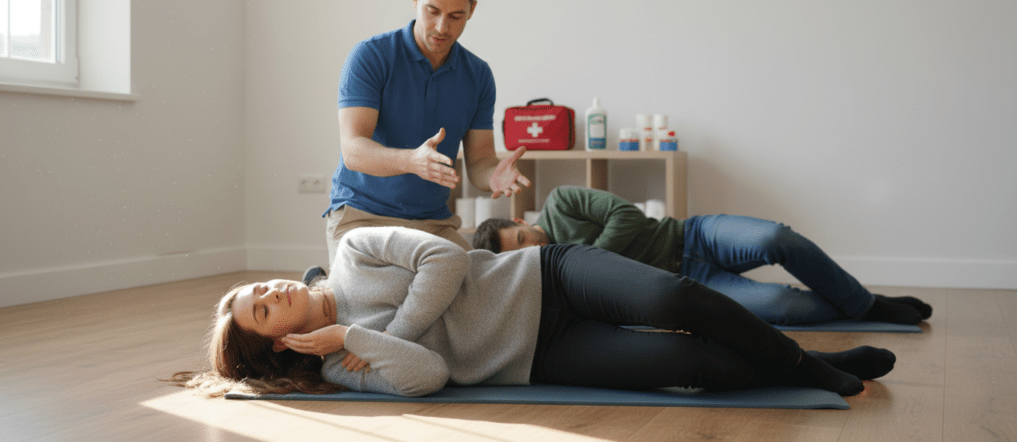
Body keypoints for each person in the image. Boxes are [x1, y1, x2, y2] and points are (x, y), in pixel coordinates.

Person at [171, 226, 898, 399]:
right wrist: (350, 336)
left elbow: (448, 259)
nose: (271, 294)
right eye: (263, 312)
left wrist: (382, 332)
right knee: (690, 364)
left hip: (549, 276)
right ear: (281, 341)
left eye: (259, 290)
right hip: (535, 356)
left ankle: (811, 365)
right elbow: (428, 377)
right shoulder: (339, 358)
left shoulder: (355, 246)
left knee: (680, 299)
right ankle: (809, 364)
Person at [472, 186, 933, 326]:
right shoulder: (553, 273)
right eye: (522, 255)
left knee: (777, 238)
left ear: (519, 222)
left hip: (692, 236)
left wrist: (587, 254)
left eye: (522, 240)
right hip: (690, 284)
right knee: (784, 307)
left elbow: (627, 215)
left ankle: (868, 304)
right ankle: (853, 305)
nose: (534, 248)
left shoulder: (561, 201)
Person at [326, 0, 529, 253]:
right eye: (432, 11)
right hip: (362, 215)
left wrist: (493, 175)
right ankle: (319, 280)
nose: (441, 27)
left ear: (472, 10)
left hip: (431, 223)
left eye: (455, 16)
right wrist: (411, 161)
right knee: (378, 297)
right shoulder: (371, 56)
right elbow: (353, 150)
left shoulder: (478, 75)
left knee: (477, 292)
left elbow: (479, 163)